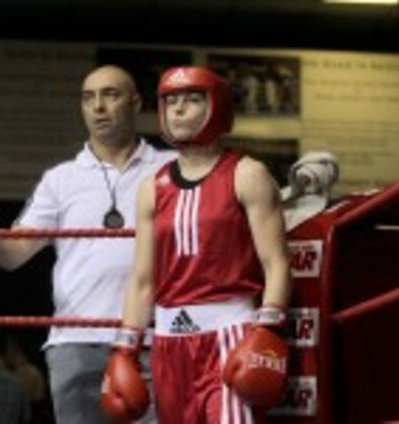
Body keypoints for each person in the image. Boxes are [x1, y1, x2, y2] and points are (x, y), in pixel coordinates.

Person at [0, 65, 176, 423]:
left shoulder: (172, 168)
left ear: (135, 104)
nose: (98, 106)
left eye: (110, 95)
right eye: (88, 98)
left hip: (154, 338)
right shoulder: (60, 179)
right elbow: (12, 256)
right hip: (75, 342)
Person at [101, 66, 292, 423]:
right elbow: (142, 280)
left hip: (229, 335)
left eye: (191, 99)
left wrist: (268, 328)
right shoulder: (151, 188)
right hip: (168, 343)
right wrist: (125, 347)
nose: (178, 108)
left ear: (216, 106)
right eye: (171, 100)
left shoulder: (247, 174)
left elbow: (277, 262)